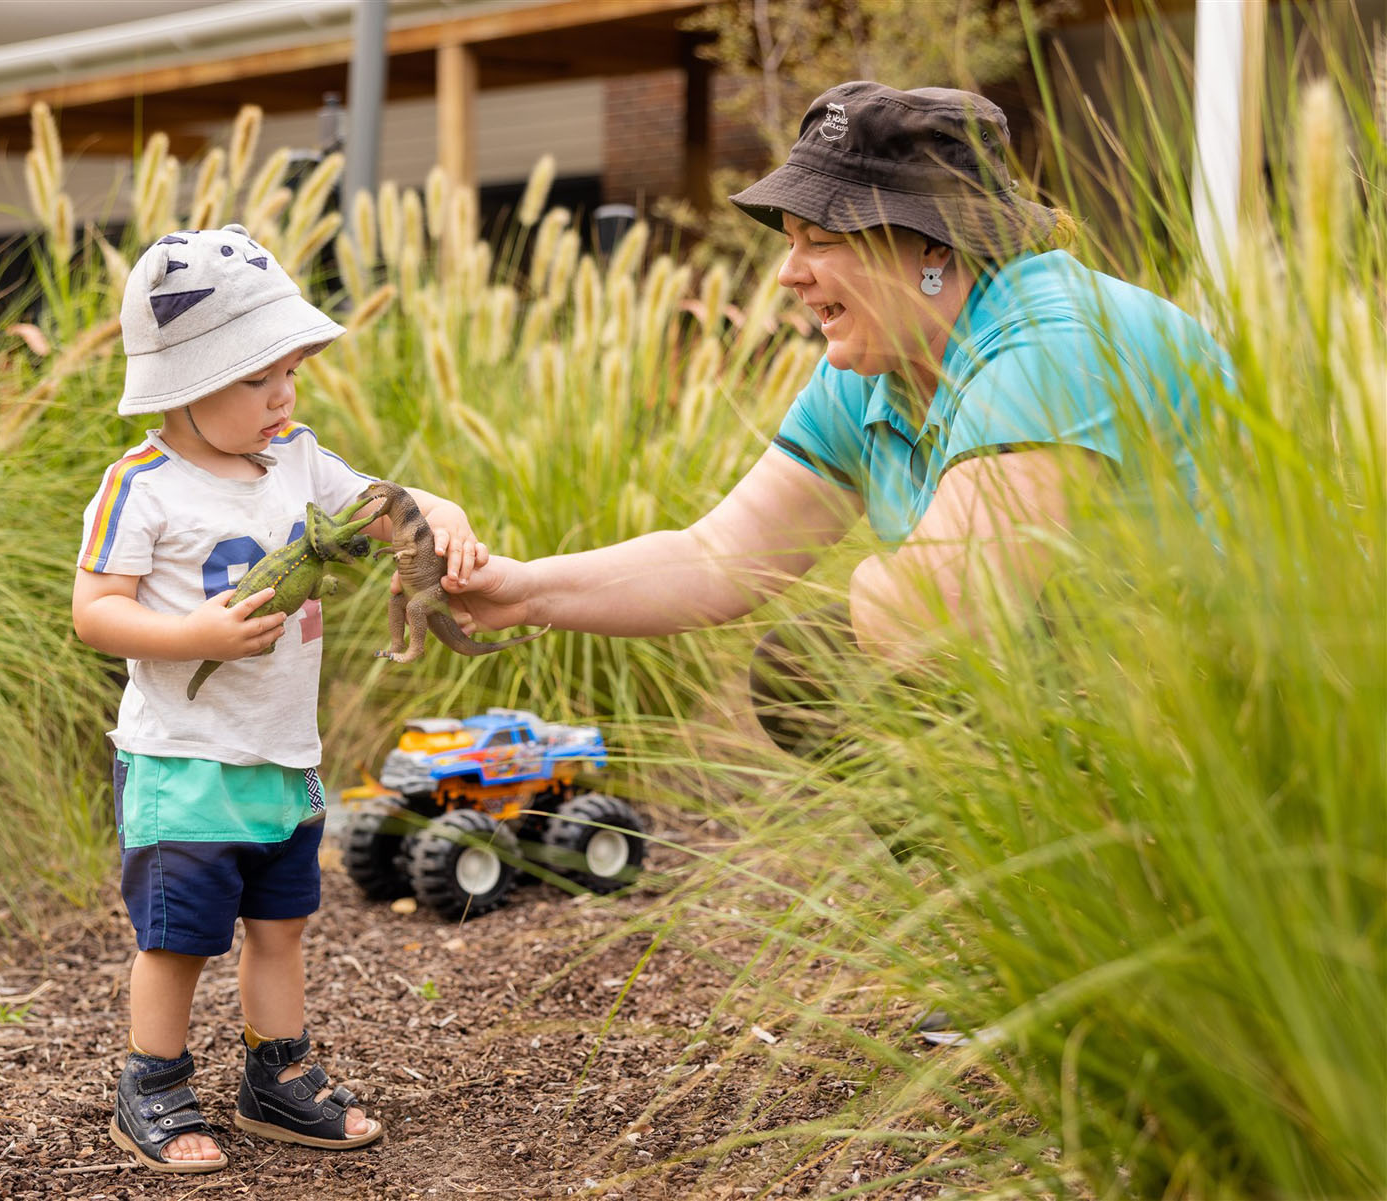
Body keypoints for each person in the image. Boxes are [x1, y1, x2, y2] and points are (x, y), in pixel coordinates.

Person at [445, 81, 1231, 755]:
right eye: (790, 241)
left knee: (867, 649)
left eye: (820, 239)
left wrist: (877, 584)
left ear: (934, 248)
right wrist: (523, 591)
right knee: (805, 668)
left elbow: (941, 611)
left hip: (1210, 682)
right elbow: (720, 556)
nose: (788, 273)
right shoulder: (872, 366)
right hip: (1086, 670)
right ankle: (1026, 892)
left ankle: (1120, 879)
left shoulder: (1049, 339)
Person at [73, 224, 483, 1173]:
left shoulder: (296, 456)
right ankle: (156, 1083)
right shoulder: (140, 487)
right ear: (185, 379)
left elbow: (378, 505)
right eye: (260, 379)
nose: (284, 396)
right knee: (178, 938)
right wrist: (196, 638)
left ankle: (276, 1074)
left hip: (281, 753)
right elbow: (96, 612)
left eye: (290, 373)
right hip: (184, 757)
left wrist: (434, 509)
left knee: (282, 924)